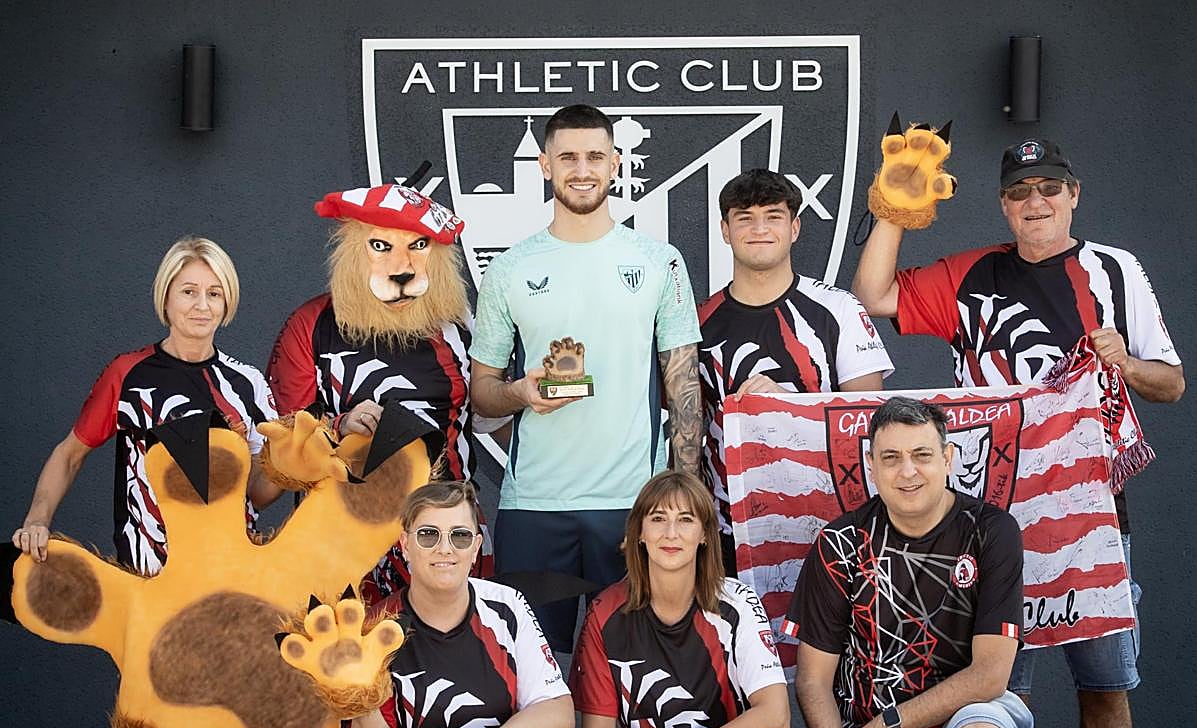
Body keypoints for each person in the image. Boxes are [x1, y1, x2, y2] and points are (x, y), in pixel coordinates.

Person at [852, 137, 1184, 728]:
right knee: (999, 692)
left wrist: (1124, 361)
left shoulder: (1114, 269)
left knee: (1105, 685)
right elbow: (872, 296)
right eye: (1020, 191)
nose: (1035, 201)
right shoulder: (973, 271)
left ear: (1072, 193)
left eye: (1049, 187)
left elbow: (1171, 382)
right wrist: (890, 213)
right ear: (1003, 203)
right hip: (989, 516)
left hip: (1090, 510)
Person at [11, 236, 278, 728]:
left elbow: (259, 493)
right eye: (189, 292)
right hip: (149, 577)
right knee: (151, 726)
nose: (202, 305)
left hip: (231, 586)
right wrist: (37, 517)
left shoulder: (245, 384)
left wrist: (293, 465)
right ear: (166, 297)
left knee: (231, 725)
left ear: (229, 303)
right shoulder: (128, 374)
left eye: (215, 294)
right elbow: (71, 451)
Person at [470, 104, 702, 652]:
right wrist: (521, 392)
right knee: (532, 674)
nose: (582, 169)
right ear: (544, 166)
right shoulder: (509, 269)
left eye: (595, 156)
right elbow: (482, 393)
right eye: (568, 157)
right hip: (533, 507)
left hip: (633, 505)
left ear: (616, 164)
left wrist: (682, 493)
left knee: (633, 671)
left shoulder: (659, 261)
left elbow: (684, 386)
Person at [789, 397, 1031, 728]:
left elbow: (991, 674)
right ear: (870, 465)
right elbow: (813, 682)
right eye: (891, 458)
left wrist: (885, 724)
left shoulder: (991, 532)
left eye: (922, 455)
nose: (908, 472)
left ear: (948, 457)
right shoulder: (840, 544)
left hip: (967, 721)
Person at [268, 182, 491, 605]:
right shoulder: (312, 324)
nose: (401, 265)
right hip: (336, 547)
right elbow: (277, 450)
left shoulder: (460, 328)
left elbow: (490, 419)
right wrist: (337, 428)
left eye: (418, 245)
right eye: (380, 246)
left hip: (445, 542)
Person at [335, 480, 585, 728]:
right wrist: (360, 696)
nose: (445, 549)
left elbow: (559, 712)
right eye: (428, 535)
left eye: (460, 536)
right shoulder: (374, 626)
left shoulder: (507, 606)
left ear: (476, 547)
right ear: (405, 545)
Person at [571, 470, 810, 728]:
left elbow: (776, 716)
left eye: (685, 520)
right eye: (658, 519)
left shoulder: (736, 602)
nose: (670, 533)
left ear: (703, 535)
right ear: (638, 533)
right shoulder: (605, 612)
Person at [698, 168, 893, 572]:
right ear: (724, 229)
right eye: (744, 218)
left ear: (795, 227)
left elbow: (872, 419)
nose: (759, 229)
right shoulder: (697, 321)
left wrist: (791, 407)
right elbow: (688, 429)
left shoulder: (839, 308)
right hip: (727, 527)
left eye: (773, 216)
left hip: (828, 522)